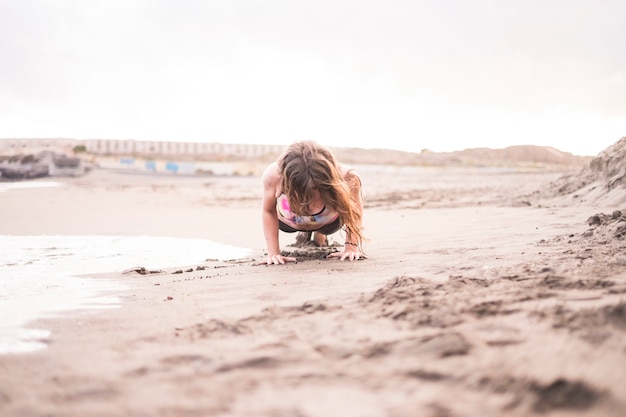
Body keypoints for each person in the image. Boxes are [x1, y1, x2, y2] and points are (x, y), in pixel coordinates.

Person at [261, 140, 366, 265]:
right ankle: (306, 231)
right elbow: (268, 210)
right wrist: (274, 253)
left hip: (328, 224)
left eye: (314, 189)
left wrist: (351, 247)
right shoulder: (274, 175)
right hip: (288, 223)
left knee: (327, 226)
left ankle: (319, 232)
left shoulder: (347, 176)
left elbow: (354, 212)